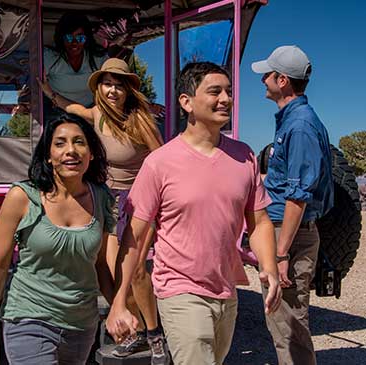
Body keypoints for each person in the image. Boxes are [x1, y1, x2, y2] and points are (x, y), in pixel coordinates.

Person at [106, 61, 282, 365]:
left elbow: (260, 221)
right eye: (215, 91)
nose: (226, 99)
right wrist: (119, 300)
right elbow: (133, 237)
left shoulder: (245, 156)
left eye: (228, 92)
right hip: (179, 289)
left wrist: (270, 267)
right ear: (186, 102)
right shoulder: (159, 163)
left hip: (227, 291)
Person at [42, 57, 169, 364]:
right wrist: (45, 89)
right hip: (105, 201)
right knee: (109, 272)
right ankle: (130, 328)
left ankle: (155, 335)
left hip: (137, 202)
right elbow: (68, 106)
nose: (113, 90)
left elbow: (164, 159)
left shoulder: (140, 120)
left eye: (119, 85)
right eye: (107, 84)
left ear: (127, 89)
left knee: (136, 271)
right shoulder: (94, 115)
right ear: (99, 87)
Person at [0, 114, 115, 365]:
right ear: (48, 156)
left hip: (81, 326)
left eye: (79, 142)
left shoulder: (101, 197)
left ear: (91, 153)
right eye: (60, 143)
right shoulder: (22, 196)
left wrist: (117, 307)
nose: (71, 151)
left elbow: (102, 265)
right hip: (29, 318)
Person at [252, 45, 334, 365]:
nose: (263, 81)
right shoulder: (293, 120)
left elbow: (297, 196)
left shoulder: (299, 126)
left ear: (282, 80)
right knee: (283, 319)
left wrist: (282, 253)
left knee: (288, 322)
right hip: (287, 232)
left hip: (289, 235)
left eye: (267, 76)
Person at [43, 12, 108, 122]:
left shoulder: (99, 58)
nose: (74, 43)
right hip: (57, 111)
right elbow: (38, 84)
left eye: (80, 38)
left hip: (91, 112)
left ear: (87, 38)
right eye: (69, 37)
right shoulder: (49, 57)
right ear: (61, 38)